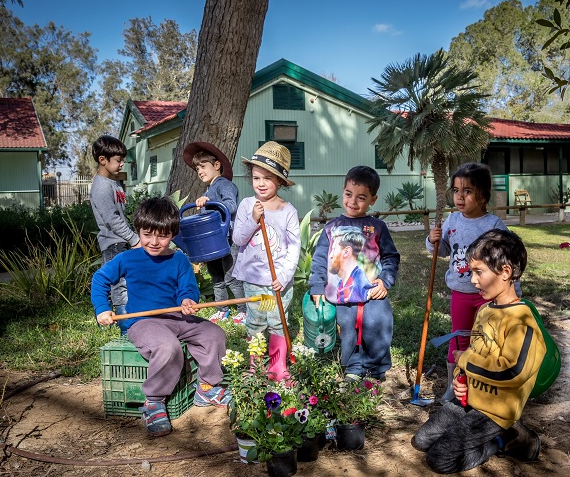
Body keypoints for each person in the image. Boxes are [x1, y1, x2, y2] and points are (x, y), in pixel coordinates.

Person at [91, 197, 231, 437]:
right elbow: (100, 279)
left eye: (162, 236)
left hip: (176, 318)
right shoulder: (127, 258)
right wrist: (102, 308)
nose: (154, 242)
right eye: (147, 234)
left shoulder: (179, 259)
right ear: (138, 231)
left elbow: (188, 288)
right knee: (168, 347)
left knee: (214, 334)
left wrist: (187, 301)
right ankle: (153, 401)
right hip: (143, 322)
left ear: (173, 234)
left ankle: (206, 387)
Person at [412, 228, 546, 473]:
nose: (472, 280)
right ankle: (484, 435)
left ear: (505, 272)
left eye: (478, 272)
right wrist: (463, 382)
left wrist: (466, 360)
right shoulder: (486, 311)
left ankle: (506, 437)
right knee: (421, 441)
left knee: (439, 459)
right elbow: (479, 350)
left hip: (495, 411)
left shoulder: (522, 322)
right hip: (471, 400)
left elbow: (512, 372)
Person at [427, 162, 516, 402]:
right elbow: (443, 250)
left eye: (467, 191)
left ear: (484, 195)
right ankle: (453, 385)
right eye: (456, 190)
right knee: (458, 339)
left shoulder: (493, 225)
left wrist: (513, 290)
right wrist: (432, 239)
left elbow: (511, 254)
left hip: (487, 295)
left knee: (486, 339)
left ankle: (480, 385)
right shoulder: (452, 221)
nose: (460, 196)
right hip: (460, 293)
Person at [309, 166, 400, 381]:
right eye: (348, 194)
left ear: (373, 199)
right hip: (341, 295)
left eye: (361, 197)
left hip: (372, 295)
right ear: (343, 191)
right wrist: (317, 286)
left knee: (378, 329)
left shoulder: (377, 227)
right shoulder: (331, 228)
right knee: (347, 331)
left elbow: (391, 257)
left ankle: (375, 370)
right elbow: (320, 258)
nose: (353, 201)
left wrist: (385, 281)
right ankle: (352, 368)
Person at [231, 141, 300, 380]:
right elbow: (238, 238)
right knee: (256, 321)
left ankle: (278, 365)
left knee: (277, 321)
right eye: (256, 177)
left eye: (267, 179)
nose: (260, 184)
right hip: (254, 280)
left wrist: (282, 277)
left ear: (280, 181)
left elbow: (293, 249)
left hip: (276, 283)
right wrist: (253, 219)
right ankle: (256, 363)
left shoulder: (288, 211)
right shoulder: (247, 205)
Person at [183, 141, 246, 324]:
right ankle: (222, 310)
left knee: (231, 277)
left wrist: (209, 202)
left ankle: (243, 310)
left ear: (216, 165)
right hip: (211, 242)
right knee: (216, 277)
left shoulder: (224, 185)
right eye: (197, 169)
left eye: (203, 166)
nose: (200, 171)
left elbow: (231, 205)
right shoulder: (209, 189)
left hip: (226, 239)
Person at [89, 135, 140, 316]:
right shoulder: (101, 186)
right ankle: (125, 323)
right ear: (103, 160)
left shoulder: (113, 183)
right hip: (113, 243)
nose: (121, 164)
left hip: (121, 241)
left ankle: (119, 319)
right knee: (119, 284)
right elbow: (112, 219)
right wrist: (134, 239)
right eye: (118, 160)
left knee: (120, 281)